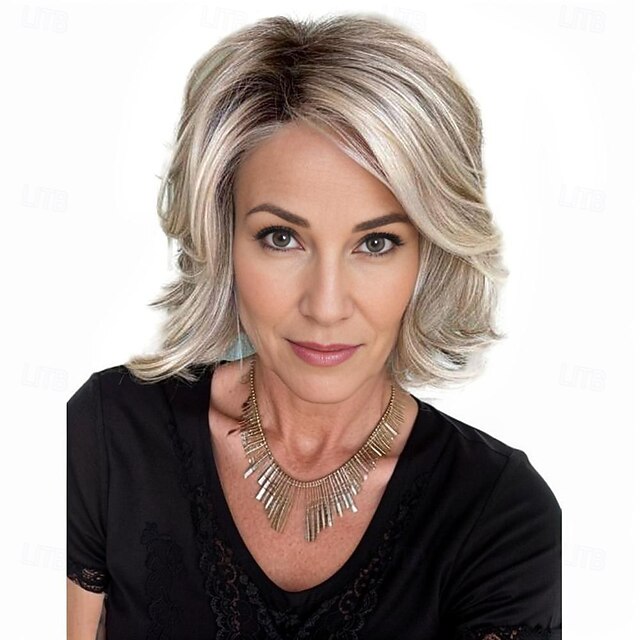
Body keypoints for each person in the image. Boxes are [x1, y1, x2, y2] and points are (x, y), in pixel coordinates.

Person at [67, 13, 562, 640]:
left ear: (430, 254)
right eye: (281, 237)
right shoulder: (107, 435)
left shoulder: (500, 514)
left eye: (376, 243)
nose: (326, 307)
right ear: (223, 239)